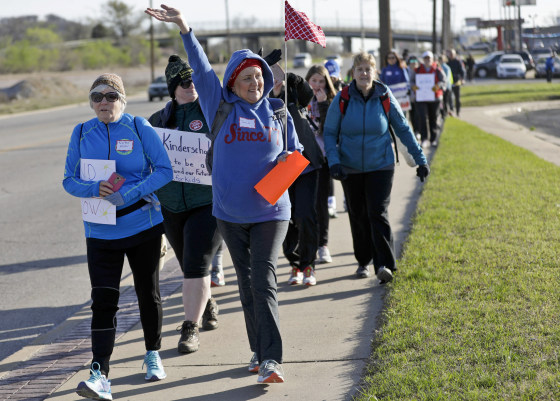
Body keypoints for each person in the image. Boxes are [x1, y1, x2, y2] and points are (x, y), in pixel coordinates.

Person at [145, 4, 303, 385]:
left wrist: (285, 159)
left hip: (271, 211)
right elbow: (199, 67)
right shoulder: (220, 106)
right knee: (247, 284)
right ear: (232, 82)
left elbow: (297, 155)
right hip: (229, 214)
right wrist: (185, 28)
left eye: (260, 77)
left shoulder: (279, 112)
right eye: (247, 78)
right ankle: (257, 349)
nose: (256, 84)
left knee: (263, 280)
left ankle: (271, 359)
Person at [63, 73, 173, 400]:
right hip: (99, 230)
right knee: (103, 301)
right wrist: (93, 187)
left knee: (146, 292)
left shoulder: (139, 127)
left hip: (143, 224)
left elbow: (164, 169)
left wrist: (132, 193)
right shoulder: (82, 132)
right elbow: (69, 180)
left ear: (122, 99)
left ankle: (153, 353)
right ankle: (100, 374)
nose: (103, 102)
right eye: (97, 97)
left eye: (111, 96)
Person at [323, 52, 430, 282]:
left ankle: (385, 265)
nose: (364, 73)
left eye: (368, 69)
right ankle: (363, 260)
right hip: (350, 168)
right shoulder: (342, 98)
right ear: (353, 73)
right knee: (358, 215)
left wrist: (420, 160)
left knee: (377, 212)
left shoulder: (384, 96)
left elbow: (403, 128)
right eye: (359, 69)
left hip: (381, 165)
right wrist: (334, 162)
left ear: (375, 72)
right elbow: (330, 133)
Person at [148, 55, 223, 355]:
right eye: (182, 80)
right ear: (172, 87)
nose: (189, 84)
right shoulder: (157, 121)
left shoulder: (212, 111)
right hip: (171, 207)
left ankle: (189, 329)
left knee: (196, 264)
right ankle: (207, 304)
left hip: (207, 201)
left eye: (191, 78)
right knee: (187, 264)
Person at [269, 60, 324, 286]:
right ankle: (295, 264)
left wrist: (293, 79)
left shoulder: (292, 91)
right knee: (285, 219)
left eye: (276, 73)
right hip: (276, 169)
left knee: (305, 216)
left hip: (304, 165)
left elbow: (307, 94)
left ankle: (308, 264)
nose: (274, 78)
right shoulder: (258, 97)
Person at [305, 64, 338, 265]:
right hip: (302, 157)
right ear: (308, 81)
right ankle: (306, 245)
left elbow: (329, 129)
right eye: (314, 81)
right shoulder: (300, 99)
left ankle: (323, 245)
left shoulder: (331, 101)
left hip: (323, 157)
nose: (317, 85)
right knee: (304, 206)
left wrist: (324, 104)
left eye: (321, 81)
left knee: (321, 203)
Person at [410, 50, 446, 147]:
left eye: (429, 58)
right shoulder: (417, 70)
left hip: (434, 98)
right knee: (422, 118)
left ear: (432, 59)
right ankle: (424, 139)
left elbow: (443, 81)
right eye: (425, 58)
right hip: (421, 98)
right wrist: (414, 87)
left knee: (433, 118)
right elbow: (411, 81)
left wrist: (438, 86)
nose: (427, 60)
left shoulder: (437, 69)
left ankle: (433, 139)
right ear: (423, 59)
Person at [446, 49, 466, 117]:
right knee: (449, 98)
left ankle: (458, 112)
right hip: (449, 83)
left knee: (457, 98)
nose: (451, 55)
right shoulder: (447, 62)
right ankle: (451, 110)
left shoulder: (458, 62)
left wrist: (462, 79)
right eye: (450, 54)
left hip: (456, 82)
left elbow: (462, 71)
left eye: (452, 54)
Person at [438, 54, 453, 121]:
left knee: (444, 102)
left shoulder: (446, 68)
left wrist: (441, 84)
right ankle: (443, 113)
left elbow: (446, 78)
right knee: (442, 102)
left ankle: (444, 114)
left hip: (446, 88)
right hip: (441, 87)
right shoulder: (439, 67)